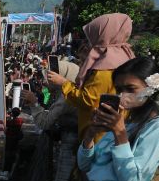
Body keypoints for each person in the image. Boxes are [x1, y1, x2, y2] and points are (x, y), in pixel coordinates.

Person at [48, 13, 135, 141]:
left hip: (98, 138)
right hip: (108, 134)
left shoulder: (106, 67)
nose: (89, 43)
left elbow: (89, 100)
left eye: (92, 37)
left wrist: (63, 83)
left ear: (103, 36)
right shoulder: (123, 57)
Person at [2, 108, 24, 175]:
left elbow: (6, 129)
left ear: (12, 113)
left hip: (9, 140)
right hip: (15, 140)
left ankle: (6, 169)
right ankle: (11, 170)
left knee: (8, 155)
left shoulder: (10, 121)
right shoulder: (20, 121)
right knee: (13, 155)